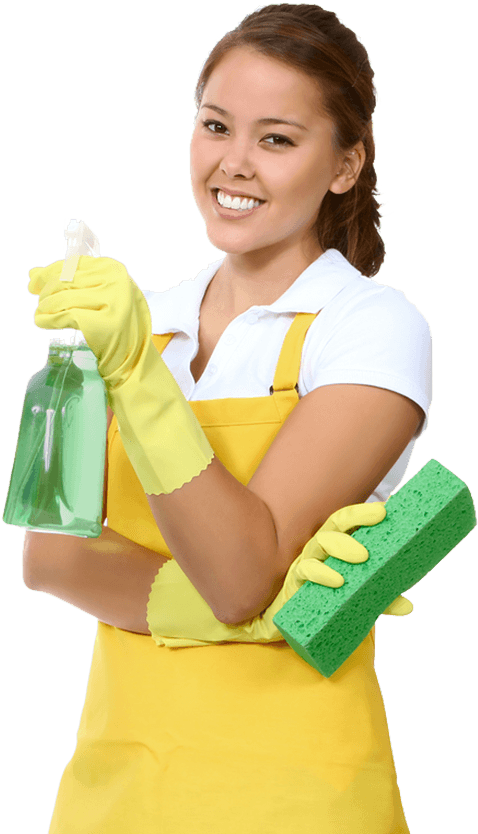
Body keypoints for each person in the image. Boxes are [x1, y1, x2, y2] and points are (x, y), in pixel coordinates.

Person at [24, 5, 432, 832]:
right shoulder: (140, 317)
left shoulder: (372, 328)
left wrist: (138, 374)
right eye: (215, 126)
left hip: (300, 795)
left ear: (346, 165)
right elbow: (49, 555)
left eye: (277, 139)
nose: (232, 164)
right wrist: (227, 616)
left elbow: (243, 569)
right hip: (117, 790)